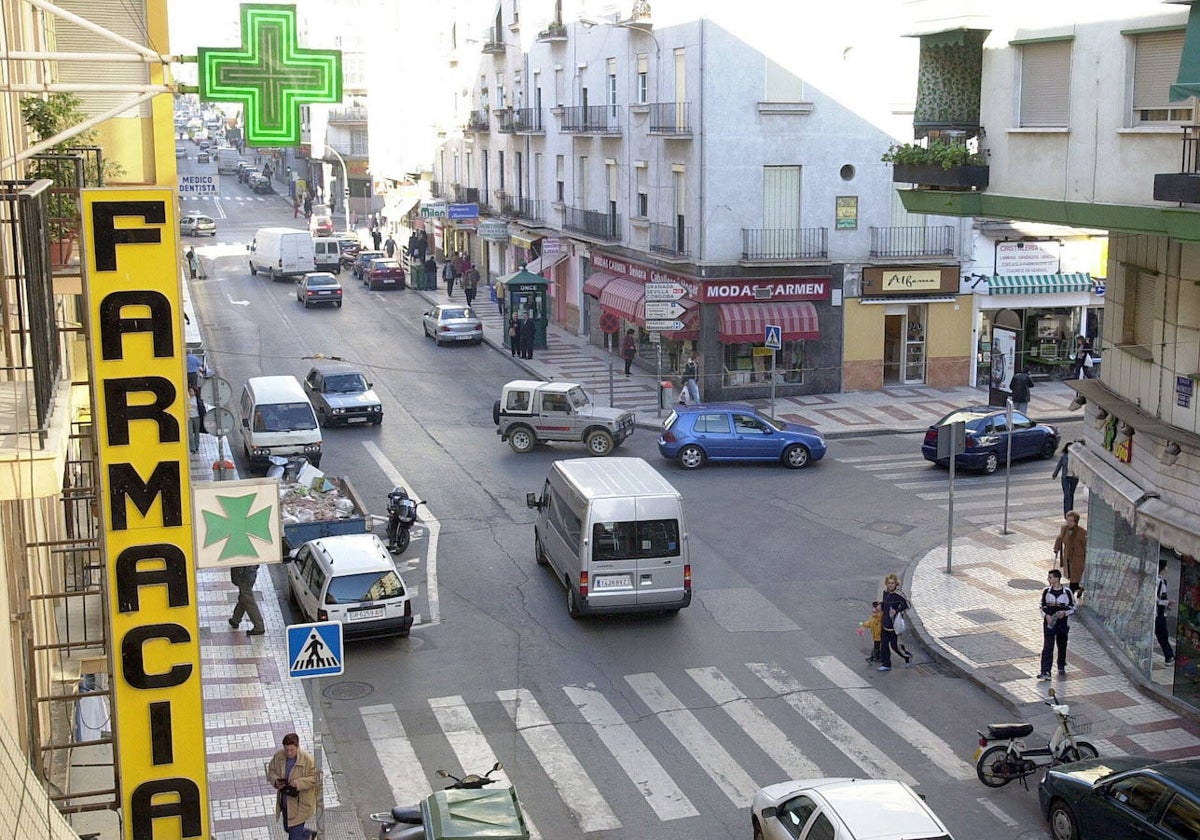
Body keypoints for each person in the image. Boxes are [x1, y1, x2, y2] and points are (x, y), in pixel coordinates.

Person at [267, 733, 320, 840]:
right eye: (286, 750)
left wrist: (299, 783)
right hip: (286, 802)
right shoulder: (279, 757)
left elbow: (316, 777)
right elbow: (271, 771)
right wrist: (276, 780)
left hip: (300, 805)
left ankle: (304, 835)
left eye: (291, 750)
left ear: (297, 747)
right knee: (288, 828)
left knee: (294, 836)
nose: (289, 753)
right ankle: (307, 835)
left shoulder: (307, 760)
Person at [1038, 569, 1075, 680]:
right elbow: (1041, 606)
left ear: (1057, 578)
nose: (1048, 579)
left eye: (1050, 577)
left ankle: (1061, 664)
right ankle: (1045, 671)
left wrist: (1064, 613)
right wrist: (1046, 616)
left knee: (1062, 644)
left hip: (1062, 623)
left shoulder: (1067, 592)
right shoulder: (1046, 592)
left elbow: (1073, 607)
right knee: (1048, 646)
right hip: (1049, 623)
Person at [878, 573, 912, 671]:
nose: (890, 585)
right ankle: (886, 664)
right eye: (889, 583)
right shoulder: (885, 592)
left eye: (892, 583)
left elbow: (908, 605)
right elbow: (884, 603)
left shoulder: (899, 595)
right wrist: (881, 605)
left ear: (896, 584)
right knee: (884, 645)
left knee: (895, 646)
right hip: (885, 624)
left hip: (894, 626)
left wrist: (897, 611)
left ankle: (907, 657)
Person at [1053, 510, 1087, 596]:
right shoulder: (1064, 529)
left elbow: (1086, 545)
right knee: (1070, 576)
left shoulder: (1082, 532)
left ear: (1076, 521)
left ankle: (1071, 594)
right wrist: (1056, 548)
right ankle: (1078, 588)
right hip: (1068, 556)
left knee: (1075, 577)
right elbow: (1060, 538)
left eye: (1071, 521)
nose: (1069, 522)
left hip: (1078, 558)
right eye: (1067, 520)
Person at [229, 564, 266, 635]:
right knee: (244, 597)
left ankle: (259, 626)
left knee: (248, 599)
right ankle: (235, 619)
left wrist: (236, 578)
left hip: (245, 576)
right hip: (250, 573)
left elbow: (239, 565)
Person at [1052, 441, 1080, 516]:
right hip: (1066, 478)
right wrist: (1055, 474)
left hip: (1074, 477)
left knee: (1071, 494)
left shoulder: (1077, 457)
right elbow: (1059, 466)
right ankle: (1066, 512)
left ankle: (1070, 511)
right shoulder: (1064, 457)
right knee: (1067, 494)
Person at [1156, 558, 1176, 665]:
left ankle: (1169, 656)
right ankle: (1169, 656)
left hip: (1159, 613)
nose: (1168, 568)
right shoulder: (1160, 582)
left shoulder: (1160, 580)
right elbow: (1157, 599)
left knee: (1162, 635)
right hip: (1157, 614)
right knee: (1162, 634)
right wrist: (1167, 603)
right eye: (1166, 566)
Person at [186, 386, 201, 453]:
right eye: (189, 391)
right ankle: (192, 448)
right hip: (189, 417)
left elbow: (201, 408)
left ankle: (197, 446)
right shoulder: (186, 399)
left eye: (191, 391)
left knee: (197, 432)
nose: (190, 392)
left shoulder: (197, 399)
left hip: (196, 417)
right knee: (190, 433)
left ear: (195, 392)